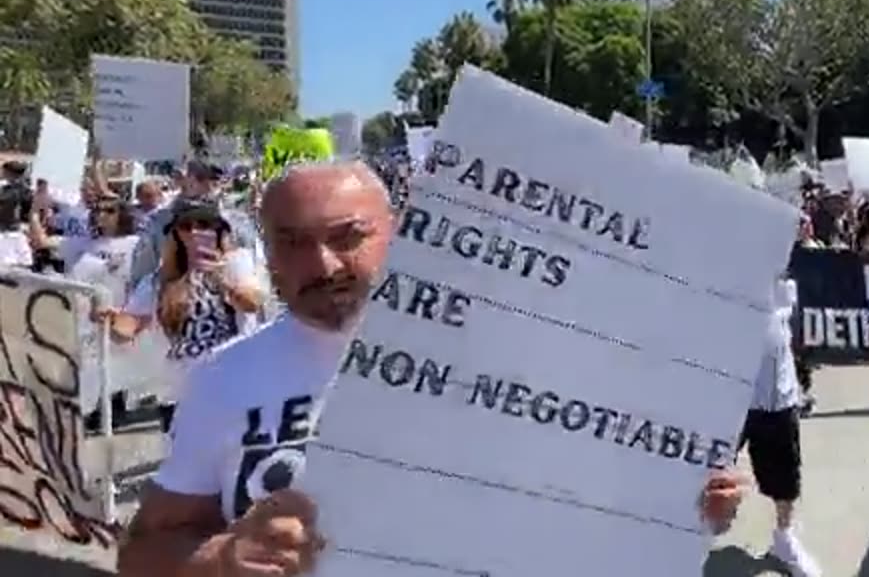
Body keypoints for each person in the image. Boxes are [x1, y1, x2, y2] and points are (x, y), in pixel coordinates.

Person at [117, 161, 747, 577]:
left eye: (347, 236)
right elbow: (141, 553)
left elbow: (600, 503)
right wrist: (221, 557)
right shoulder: (224, 380)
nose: (326, 264)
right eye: (293, 242)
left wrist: (680, 505)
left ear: (398, 232)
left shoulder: (518, 352)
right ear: (266, 253)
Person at [99, 200, 266, 431]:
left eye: (205, 224)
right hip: (181, 393)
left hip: (233, 387)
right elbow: (127, 330)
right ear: (175, 235)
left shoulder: (237, 263)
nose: (196, 232)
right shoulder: (159, 281)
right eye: (186, 226)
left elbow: (252, 304)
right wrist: (109, 321)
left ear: (219, 231)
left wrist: (221, 280)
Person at [28, 191, 142, 432]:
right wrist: (35, 211)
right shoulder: (83, 243)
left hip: (118, 311)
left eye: (110, 210)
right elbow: (42, 242)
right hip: (84, 315)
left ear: (122, 215)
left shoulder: (135, 244)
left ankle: (112, 411)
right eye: (99, 210)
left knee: (116, 362)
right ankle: (86, 409)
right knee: (88, 363)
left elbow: (140, 278)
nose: (102, 215)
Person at [739, 278, 820, 577]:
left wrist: (800, 381)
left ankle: (783, 539)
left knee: (785, 476)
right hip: (727, 393)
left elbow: (789, 328)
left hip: (779, 394)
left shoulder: (785, 279)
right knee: (702, 471)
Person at [128, 161, 256, 292]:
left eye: (213, 177)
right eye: (198, 176)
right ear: (181, 178)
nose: (195, 232)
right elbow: (139, 282)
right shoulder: (159, 223)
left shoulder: (238, 223)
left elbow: (257, 286)